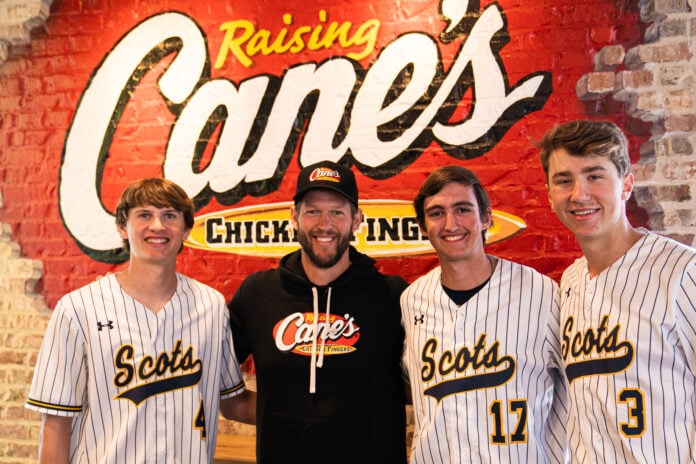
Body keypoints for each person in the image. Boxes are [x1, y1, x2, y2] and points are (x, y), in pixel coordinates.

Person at [26, 178, 253, 464]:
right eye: (144, 215)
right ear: (123, 227)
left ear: (185, 230)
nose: (158, 225)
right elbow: (57, 422)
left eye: (169, 215)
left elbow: (231, 399)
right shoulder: (78, 309)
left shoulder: (212, 306)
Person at [536, 119, 696, 463]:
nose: (579, 194)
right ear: (549, 194)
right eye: (564, 180)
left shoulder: (683, 273)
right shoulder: (571, 282)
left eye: (595, 176)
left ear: (626, 185)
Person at [228, 160, 408, 463]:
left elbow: (427, 386)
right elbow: (215, 378)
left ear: (356, 220)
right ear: (294, 218)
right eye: (312, 211)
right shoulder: (257, 294)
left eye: (337, 212)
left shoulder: (393, 296)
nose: (324, 224)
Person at [401, 165, 567, 463]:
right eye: (436, 213)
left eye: (462, 209)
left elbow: (576, 389)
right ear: (423, 227)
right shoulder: (412, 300)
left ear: (486, 218)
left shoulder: (540, 292)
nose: (451, 223)